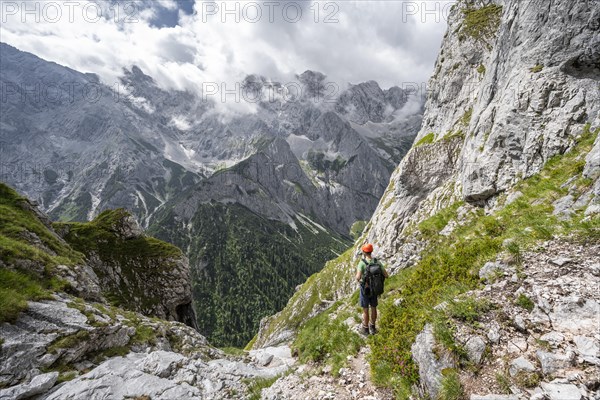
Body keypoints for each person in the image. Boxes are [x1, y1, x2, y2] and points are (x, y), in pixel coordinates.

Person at [356, 243, 389, 335]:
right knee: (373, 308)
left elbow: (358, 277)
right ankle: (373, 327)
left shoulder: (362, 263)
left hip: (365, 289)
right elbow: (386, 275)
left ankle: (365, 329)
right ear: (371, 251)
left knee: (365, 309)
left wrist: (362, 280)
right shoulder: (377, 262)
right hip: (375, 289)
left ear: (364, 252)